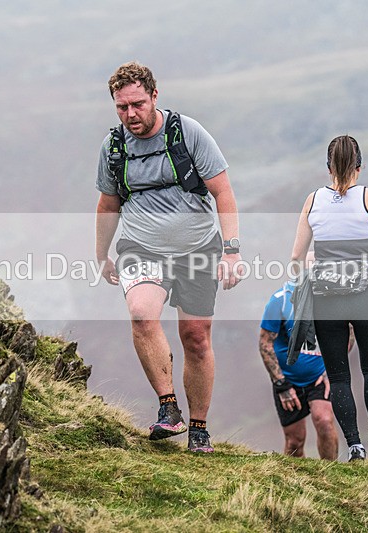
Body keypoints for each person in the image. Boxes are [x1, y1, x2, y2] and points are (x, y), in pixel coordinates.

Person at [95, 62, 244, 453]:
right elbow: (108, 204)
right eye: (122, 107)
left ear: (154, 96)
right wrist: (101, 255)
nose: (131, 115)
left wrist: (231, 251)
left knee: (195, 338)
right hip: (141, 247)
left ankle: (199, 429)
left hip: (198, 248)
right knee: (142, 313)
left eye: (138, 105)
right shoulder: (114, 147)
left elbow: (223, 193)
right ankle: (168, 408)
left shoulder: (187, 133)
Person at [289, 135, 368, 462]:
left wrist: (311, 268)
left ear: (328, 168)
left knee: (339, 377)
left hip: (327, 300)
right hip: (366, 295)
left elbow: (296, 257)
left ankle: (355, 447)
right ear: (359, 166)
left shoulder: (312, 201)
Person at [259, 280, 346, 460]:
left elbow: (349, 333)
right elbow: (265, 343)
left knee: (324, 421)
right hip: (288, 380)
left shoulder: (335, 299)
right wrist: (281, 384)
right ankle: (296, 483)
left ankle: (332, 477)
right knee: (295, 441)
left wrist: (332, 370)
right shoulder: (280, 300)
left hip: (319, 377)